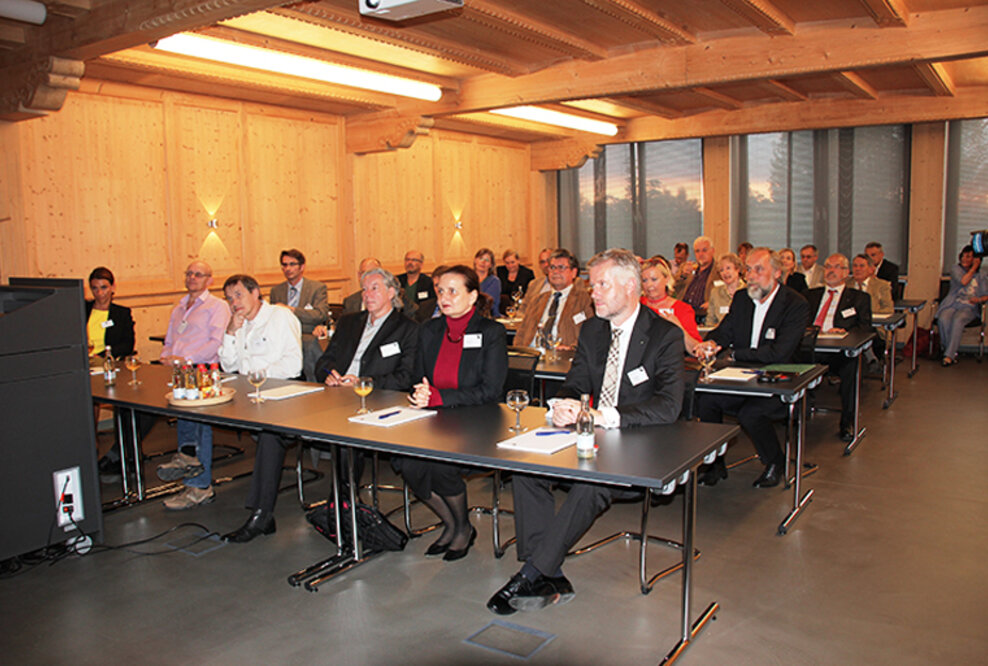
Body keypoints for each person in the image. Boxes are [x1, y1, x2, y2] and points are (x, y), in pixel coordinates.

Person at [487, 248, 685, 616]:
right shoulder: (593, 329)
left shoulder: (664, 336)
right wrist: (563, 404)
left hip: (637, 441)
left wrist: (601, 415)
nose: (592, 293)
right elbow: (575, 381)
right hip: (588, 433)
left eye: (601, 285)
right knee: (525, 467)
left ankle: (532, 572)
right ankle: (549, 573)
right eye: (591, 285)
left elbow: (668, 407)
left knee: (590, 484)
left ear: (630, 287)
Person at [392, 265, 507, 562]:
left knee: (442, 464)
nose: (444, 297)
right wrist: (420, 392)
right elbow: (418, 377)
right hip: (434, 416)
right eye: (441, 291)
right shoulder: (428, 330)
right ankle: (458, 524)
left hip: (477, 419)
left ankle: (459, 530)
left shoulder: (491, 332)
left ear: (472, 297)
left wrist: (440, 397)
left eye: (453, 291)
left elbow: (491, 390)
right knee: (406, 462)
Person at [693, 247, 810, 488]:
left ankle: (775, 462)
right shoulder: (742, 298)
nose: (751, 276)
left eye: (759, 269)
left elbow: (780, 352)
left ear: (777, 273)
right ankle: (715, 464)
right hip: (741, 374)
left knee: (751, 413)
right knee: (706, 399)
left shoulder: (794, 304)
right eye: (748, 269)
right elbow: (726, 330)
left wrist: (735, 353)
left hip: (779, 378)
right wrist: (712, 343)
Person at [309, 267, 418, 503]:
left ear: (392, 292)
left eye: (374, 288)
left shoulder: (408, 328)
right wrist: (329, 374)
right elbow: (325, 361)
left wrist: (362, 383)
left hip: (376, 398)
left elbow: (405, 377)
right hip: (336, 393)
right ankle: (343, 500)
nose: (367, 295)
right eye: (364, 289)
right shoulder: (349, 322)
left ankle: (342, 501)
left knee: (347, 432)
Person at [218, 274, 302, 543]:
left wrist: (257, 375)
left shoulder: (279, 317)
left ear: (256, 293)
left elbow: (293, 365)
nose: (234, 303)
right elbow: (228, 365)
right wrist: (231, 330)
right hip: (251, 400)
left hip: (285, 399)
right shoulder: (240, 323)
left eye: (239, 295)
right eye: (229, 299)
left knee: (269, 435)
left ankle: (262, 514)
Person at [155, 261, 231, 510]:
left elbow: (215, 342)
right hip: (180, 372)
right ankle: (190, 476)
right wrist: (167, 357)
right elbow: (170, 339)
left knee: (199, 430)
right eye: (189, 273)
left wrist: (185, 359)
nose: (192, 277)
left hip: (203, 371)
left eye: (198, 274)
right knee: (185, 425)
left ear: (210, 280)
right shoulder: (179, 308)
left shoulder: (217, 306)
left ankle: (200, 487)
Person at [805, 254, 872, 442]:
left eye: (836, 267)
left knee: (852, 368)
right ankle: (795, 414)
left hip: (839, 352)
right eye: (827, 267)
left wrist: (844, 333)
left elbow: (865, 328)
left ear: (846, 272)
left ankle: (847, 422)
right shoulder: (810, 295)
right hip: (810, 349)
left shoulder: (859, 298)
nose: (831, 271)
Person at [269, 249, 330, 382]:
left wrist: (291, 310)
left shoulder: (316, 288)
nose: (288, 268)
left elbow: (320, 314)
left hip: (307, 335)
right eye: (284, 265)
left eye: (292, 264)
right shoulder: (276, 291)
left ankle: (315, 384)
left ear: (302, 267)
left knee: (308, 344)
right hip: (282, 338)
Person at [513, 248, 593, 350]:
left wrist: (572, 349)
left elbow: (591, 335)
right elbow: (521, 333)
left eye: (561, 267)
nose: (555, 272)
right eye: (552, 267)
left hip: (562, 356)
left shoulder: (584, 300)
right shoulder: (537, 300)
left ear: (573, 272)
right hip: (532, 354)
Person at [938, 245, 987, 367]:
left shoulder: (982, 275)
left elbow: (987, 294)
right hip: (952, 303)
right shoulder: (956, 269)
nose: (964, 259)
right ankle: (949, 350)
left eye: (968, 257)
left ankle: (948, 356)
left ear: (976, 259)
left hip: (969, 306)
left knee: (958, 319)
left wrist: (979, 299)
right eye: (963, 256)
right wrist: (973, 268)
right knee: (943, 318)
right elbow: (963, 281)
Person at [640, 256, 700, 353]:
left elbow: (696, 350)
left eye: (654, 279)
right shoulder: (636, 305)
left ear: (667, 279)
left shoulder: (682, 309)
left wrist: (679, 328)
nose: (649, 285)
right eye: (644, 280)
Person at [86, 266, 135, 359]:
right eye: (95, 288)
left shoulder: (121, 314)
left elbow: (127, 345)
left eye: (104, 288)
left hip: (107, 360)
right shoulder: (83, 309)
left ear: (113, 287)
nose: (99, 293)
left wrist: (101, 355)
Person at [343, 257, 417, 317]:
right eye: (365, 273)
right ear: (359, 276)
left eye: (374, 273)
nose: (369, 278)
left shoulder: (399, 296)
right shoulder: (350, 302)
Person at [673, 235, 716, 323]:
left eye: (704, 250)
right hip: (684, 313)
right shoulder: (688, 268)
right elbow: (673, 287)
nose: (701, 254)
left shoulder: (719, 271)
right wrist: (683, 275)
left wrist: (712, 303)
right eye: (697, 251)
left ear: (712, 251)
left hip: (703, 315)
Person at [705, 253, 745, 327]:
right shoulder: (715, 292)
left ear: (737, 269)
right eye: (721, 270)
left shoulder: (747, 291)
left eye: (728, 268)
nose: (725, 273)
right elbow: (710, 320)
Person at [397, 249, 436, 322]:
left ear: (421, 264)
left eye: (414, 260)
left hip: (421, 320)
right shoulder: (397, 281)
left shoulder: (429, 282)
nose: (410, 263)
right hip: (400, 320)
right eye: (407, 260)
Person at [497, 249, 535, 315]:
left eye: (512, 262)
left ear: (518, 260)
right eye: (507, 263)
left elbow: (531, 292)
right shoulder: (499, 271)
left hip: (521, 307)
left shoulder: (527, 273)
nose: (510, 266)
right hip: (502, 308)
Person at [518, 247, 553, 315]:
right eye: (542, 262)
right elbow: (522, 309)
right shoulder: (533, 284)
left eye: (548, 261)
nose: (546, 265)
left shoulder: (565, 285)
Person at [473, 247, 501, 316]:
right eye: (481, 258)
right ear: (475, 260)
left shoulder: (494, 281)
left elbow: (486, 303)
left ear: (491, 265)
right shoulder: (468, 278)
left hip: (488, 317)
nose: (483, 262)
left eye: (487, 260)